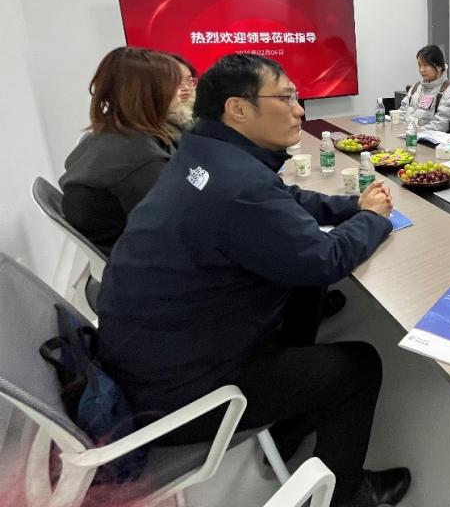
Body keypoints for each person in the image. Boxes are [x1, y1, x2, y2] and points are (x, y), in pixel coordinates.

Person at [97, 54, 411, 507]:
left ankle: (292, 415)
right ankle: (347, 495)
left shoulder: (204, 153)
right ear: (238, 109)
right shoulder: (237, 185)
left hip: (153, 355)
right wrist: (373, 219)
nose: (300, 110)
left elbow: (282, 199)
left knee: (303, 287)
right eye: (286, 98)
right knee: (358, 365)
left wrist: (351, 206)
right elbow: (326, 259)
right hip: (178, 396)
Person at [59, 47, 180, 255]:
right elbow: (175, 228)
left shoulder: (102, 135)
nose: (181, 93)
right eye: (174, 86)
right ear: (151, 95)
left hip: (118, 241)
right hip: (141, 257)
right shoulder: (142, 162)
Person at [398, 44, 450, 132]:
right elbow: (402, 112)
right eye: (419, 65)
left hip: (425, 139)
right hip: (407, 135)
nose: (421, 70)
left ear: (439, 67)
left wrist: (414, 132)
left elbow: (440, 125)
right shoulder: (416, 87)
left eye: (425, 65)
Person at [167, 53, 197, 142]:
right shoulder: (155, 130)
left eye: (189, 80)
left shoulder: (200, 115)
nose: (186, 88)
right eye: (177, 81)